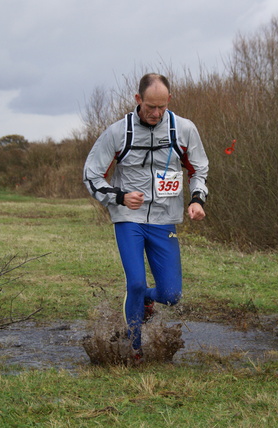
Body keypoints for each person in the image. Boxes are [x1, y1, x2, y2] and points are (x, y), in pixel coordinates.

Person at [83, 73, 209, 360]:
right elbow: (91, 175)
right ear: (138, 99)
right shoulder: (119, 132)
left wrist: (197, 199)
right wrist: (119, 196)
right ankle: (134, 348)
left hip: (165, 218)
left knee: (171, 295)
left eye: (161, 107)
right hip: (129, 217)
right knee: (136, 283)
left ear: (169, 101)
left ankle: (147, 302)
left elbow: (199, 169)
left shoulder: (184, 130)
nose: (156, 113)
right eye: (150, 106)